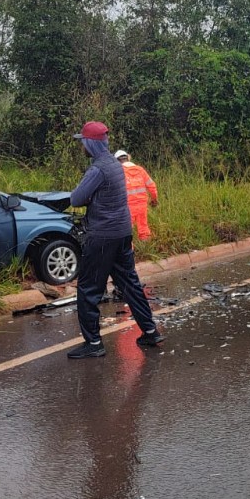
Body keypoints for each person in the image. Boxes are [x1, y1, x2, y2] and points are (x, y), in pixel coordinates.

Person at [66, 121, 165, 359]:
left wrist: (89, 199)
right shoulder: (114, 164)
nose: (82, 147)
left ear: (90, 143)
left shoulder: (98, 168)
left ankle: (94, 343)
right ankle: (150, 331)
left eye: (83, 142)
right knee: (129, 283)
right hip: (122, 233)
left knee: (89, 288)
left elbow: (76, 199)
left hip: (102, 236)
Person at [114, 149, 159, 241]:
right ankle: (146, 249)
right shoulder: (140, 170)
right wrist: (154, 200)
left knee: (127, 231)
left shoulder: (118, 172)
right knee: (143, 228)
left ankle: (129, 253)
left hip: (127, 206)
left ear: (117, 161)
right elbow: (152, 186)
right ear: (128, 158)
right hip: (142, 204)